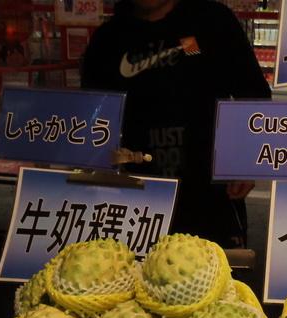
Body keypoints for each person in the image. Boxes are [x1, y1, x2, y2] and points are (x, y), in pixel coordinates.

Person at [82, 0, 271, 248]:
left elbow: (253, 94)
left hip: (210, 197)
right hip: (133, 204)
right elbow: (93, 120)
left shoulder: (212, 21)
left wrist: (246, 162)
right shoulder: (107, 40)